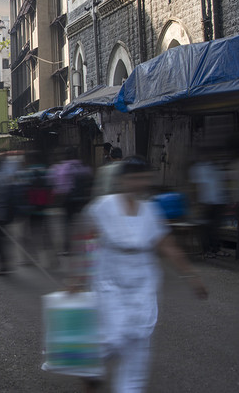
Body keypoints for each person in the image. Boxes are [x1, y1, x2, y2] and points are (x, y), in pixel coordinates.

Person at [79, 156, 207, 392]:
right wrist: (77, 276)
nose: (139, 183)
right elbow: (85, 237)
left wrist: (191, 275)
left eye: (143, 178)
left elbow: (167, 245)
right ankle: (90, 362)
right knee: (115, 337)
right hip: (110, 282)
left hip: (143, 284)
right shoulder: (103, 206)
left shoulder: (150, 211)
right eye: (133, 178)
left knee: (138, 338)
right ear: (122, 181)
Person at [188, 148, 230, 258]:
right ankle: (206, 250)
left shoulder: (215, 167)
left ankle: (216, 249)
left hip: (218, 202)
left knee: (215, 228)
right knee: (205, 228)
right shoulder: (197, 168)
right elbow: (195, 187)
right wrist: (197, 203)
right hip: (205, 202)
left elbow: (220, 184)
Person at [50, 147, 92, 255]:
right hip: (83, 199)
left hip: (68, 200)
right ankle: (88, 246)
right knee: (83, 223)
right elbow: (90, 179)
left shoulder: (63, 168)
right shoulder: (83, 166)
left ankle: (67, 248)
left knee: (67, 225)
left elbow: (60, 187)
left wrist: (57, 198)